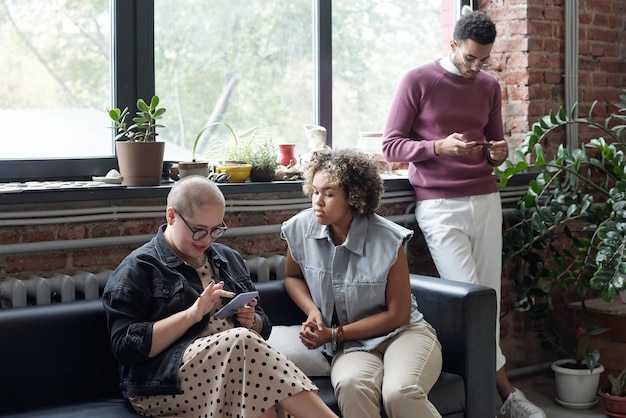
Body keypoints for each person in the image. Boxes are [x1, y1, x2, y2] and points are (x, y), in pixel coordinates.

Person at [381, 9, 546, 418]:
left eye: (483, 60)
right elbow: (391, 146)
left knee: (487, 299)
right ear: (453, 45)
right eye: (470, 58)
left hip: (485, 199)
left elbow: (494, 143)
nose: (477, 68)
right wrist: (438, 147)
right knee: (471, 299)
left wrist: (500, 151)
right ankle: (505, 395)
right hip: (438, 205)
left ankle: (494, 401)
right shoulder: (418, 80)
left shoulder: (489, 86)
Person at [102, 175, 338, 418]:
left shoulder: (228, 258)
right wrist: (191, 315)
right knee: (242, 344)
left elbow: (262, 326)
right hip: (163, 384)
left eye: (216, 230)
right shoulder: (140, 268)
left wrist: (252, 320)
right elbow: (126, 349)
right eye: (199, 230)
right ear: (171, 216)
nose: (207, 239)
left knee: (262, 392)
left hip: (233, 368)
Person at [281, 148, 443, 418]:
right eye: (315, 191)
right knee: (351, 384)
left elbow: (398, 315)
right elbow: (293, 276)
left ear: (354, 198)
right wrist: (313, 312)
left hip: (403, 335)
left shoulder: (389, 239)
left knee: (399, 393)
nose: (317, 202)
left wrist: (333, 334)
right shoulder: (299, 229)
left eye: (329, 194)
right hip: (352, 346)